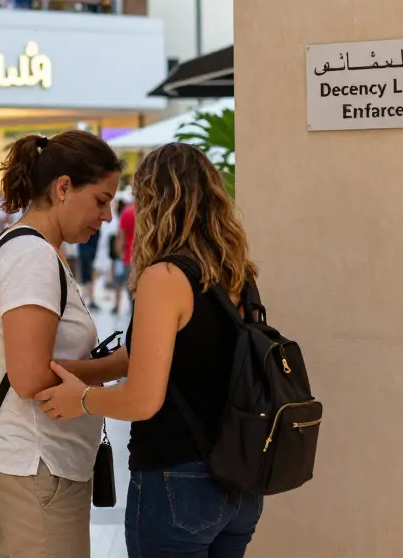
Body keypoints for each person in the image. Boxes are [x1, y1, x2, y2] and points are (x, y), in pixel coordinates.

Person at [36, 142, 263, 557]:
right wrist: (69, 370)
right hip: (239, 483)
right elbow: (173, 356)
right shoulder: (237, 274)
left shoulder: (167, 276)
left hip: (178, 480)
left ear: (156, 202)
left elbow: (142, 399)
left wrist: (82, 400)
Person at [0, 130, 123, 556]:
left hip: (40, 468)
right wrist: (117, 366)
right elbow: (30, 376)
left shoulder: (30, 250)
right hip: (37, 467)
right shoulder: (32, 258)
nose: (107, 216)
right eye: (101, 200)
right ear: (63, 188)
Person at [115, 201, 136, 314]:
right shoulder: (148, 213)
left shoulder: (127, 213)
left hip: (129, 258)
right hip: (146, 259)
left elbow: (121, 239)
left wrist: (122, 255)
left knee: (130, 290)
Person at [77, 230, 101, 310]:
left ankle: (87, 298)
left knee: (87, 275)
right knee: (87, 275)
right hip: (89, 252)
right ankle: (87, 298)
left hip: (88, 251)